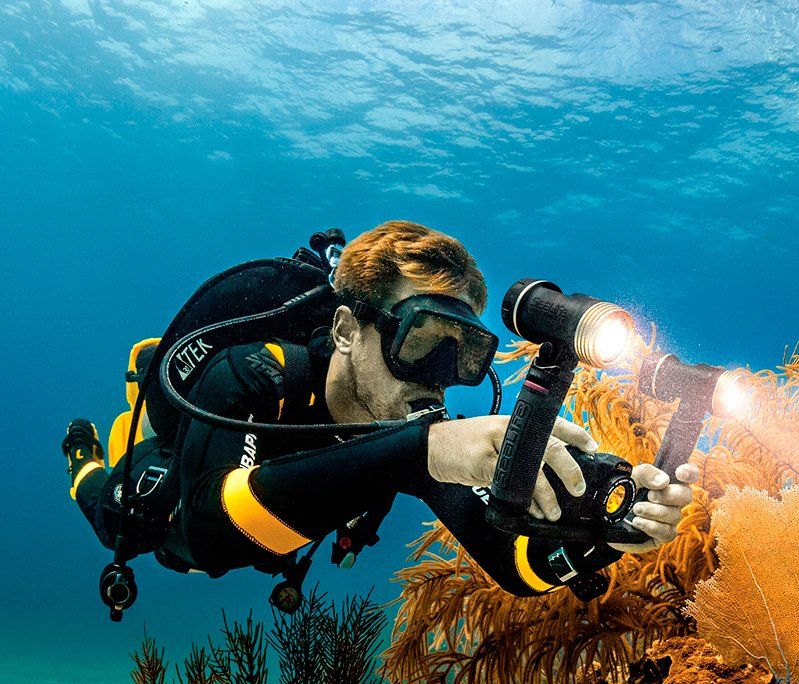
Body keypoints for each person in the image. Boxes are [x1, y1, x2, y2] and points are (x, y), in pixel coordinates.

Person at [61, 221, 697, 598]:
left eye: (463, 355)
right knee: (127, 519)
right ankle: (84, 457)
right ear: (346, 330)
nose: (439, 380)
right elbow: (208, 538)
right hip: (183, 467)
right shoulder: (256, 374)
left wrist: (607, 528)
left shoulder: (417, 429)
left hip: (300, 500)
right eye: (421, 342)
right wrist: (421, 451)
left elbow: (511, 563)